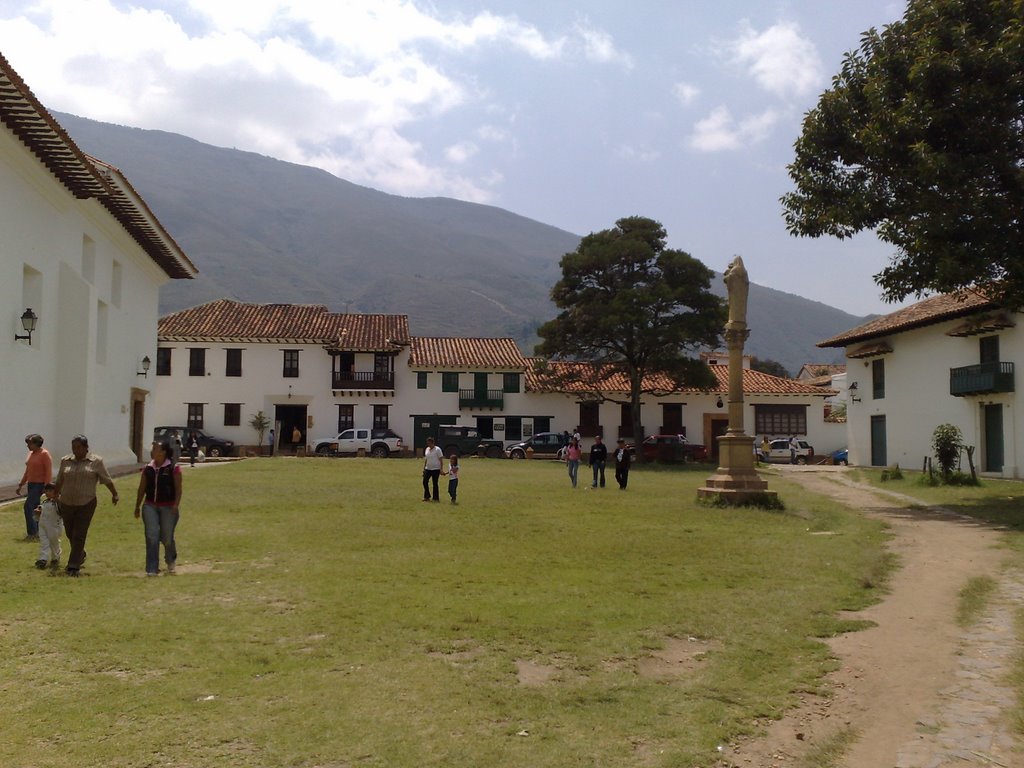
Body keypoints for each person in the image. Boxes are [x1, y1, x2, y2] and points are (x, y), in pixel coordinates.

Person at [54, 435, 119, 577]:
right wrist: (55, 496)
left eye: (78, 447)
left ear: (85, 447)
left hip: (86, 503)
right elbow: (59, 480)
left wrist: (114, 494)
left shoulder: (96, 462)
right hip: (66, 502)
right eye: (73, 447)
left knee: (79, 534)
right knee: (70, 533)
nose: (75, 450)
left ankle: (73, 566)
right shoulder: (65, 461)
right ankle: (80, 553)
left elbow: (106, 479)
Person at [133, 440, 182, 576]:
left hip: (168, 507)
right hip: (150, 505)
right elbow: (141, 488)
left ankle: (170, 559)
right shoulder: (148, 469)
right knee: (152, 535)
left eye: (155, 448)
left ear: (163, 452)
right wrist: (137, 506)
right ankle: (152, 568)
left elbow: (178, 488)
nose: (152, 450)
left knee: (166, 537)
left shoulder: (173, 468)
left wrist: (176, 505)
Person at [16, 433, 51, 541]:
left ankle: (32, 532)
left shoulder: (44, 454)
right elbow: (28, 471)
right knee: (36, 509)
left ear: (37, 443)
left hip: (39, 484)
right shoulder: (31, 454)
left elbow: (48, 471)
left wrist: (46, 486)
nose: (28, 446)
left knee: (28, 506)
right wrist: (21, 484)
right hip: (31, 484)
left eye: (30, 443)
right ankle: (40, 532)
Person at [33, 482, 63, 570]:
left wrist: (58, 500)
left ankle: (56, 557)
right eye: (46, 491)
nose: (47, 493)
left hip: (54, 526)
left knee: (54, 543)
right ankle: (43, 559)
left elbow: (61, 511)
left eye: (50, 490)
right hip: (43, 525)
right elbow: (44, 508)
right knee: (44, 542)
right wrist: (39, 510)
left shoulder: (58, 502)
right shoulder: (45, 502)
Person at [422, 437, 443, 502]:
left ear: (432, 443)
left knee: (435, 483)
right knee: (425, 481)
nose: (428, 445)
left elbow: (441, 460)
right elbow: (426, 459)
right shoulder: (427, 449)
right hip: (428, 468)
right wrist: (424, 468)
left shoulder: (437, 449)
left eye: (429, 443)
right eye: (427, 443)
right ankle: (427, 496)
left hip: (435, 469)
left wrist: (441, 469)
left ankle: (436, 498)